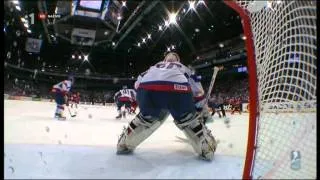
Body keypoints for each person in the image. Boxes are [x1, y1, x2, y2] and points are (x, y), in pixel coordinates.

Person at [116, 52, 217, 161]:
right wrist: (200, 109)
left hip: (147, 88)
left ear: (164, 60)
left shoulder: (153, 67)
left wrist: (147, 99)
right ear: (178, 61)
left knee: (145, 119)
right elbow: (198, 91)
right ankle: (206, 147)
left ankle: (124, 143)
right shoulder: (183, 68)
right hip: (177, 89)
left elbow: (137, 84)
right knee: (187, 118)